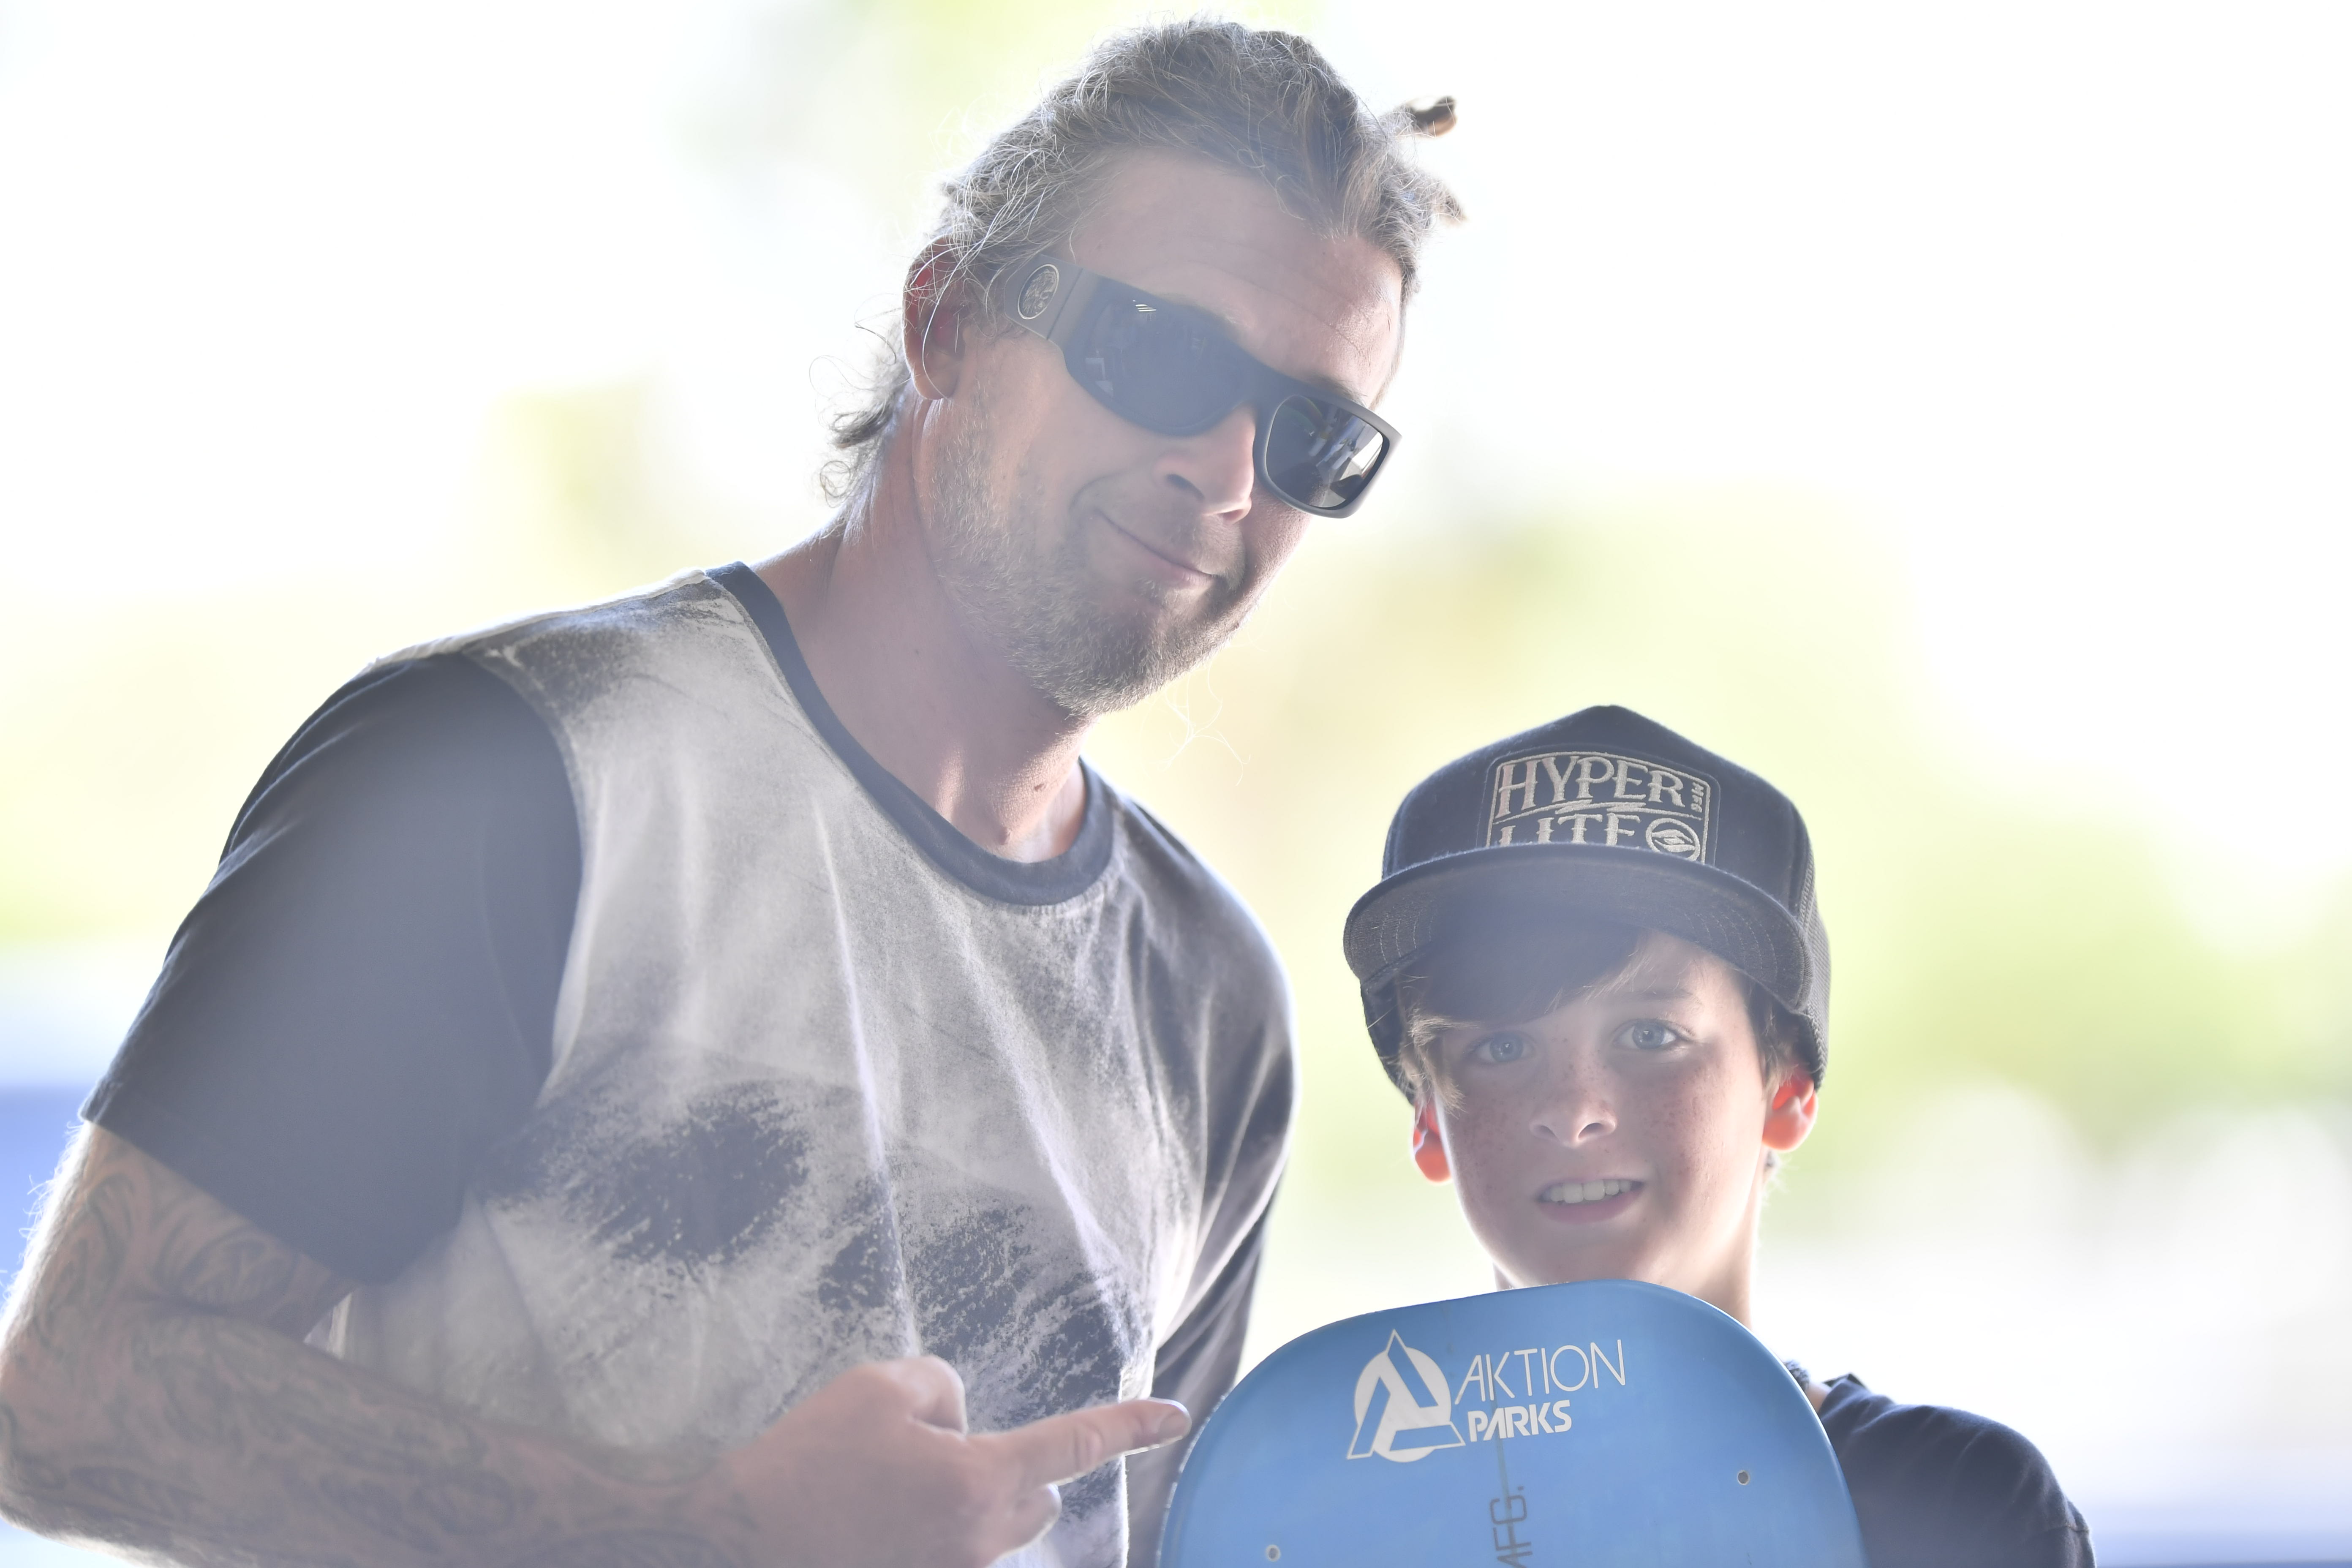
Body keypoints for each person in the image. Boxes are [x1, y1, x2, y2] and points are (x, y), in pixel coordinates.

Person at [0, 22, 1461, 1568]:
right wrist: (699, 1530)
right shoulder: (506, 774)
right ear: (949, 322)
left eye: (1314, 437)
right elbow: (67, 1402)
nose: (1228, 477)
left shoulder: (1212, 1002)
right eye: (1162, 355)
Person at [1342, 705, 2095, 1568]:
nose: (1576, 1108)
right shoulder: (1330, 1524)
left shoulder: (1960, 1506)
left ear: (1788, 1089)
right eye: (1503, 1047)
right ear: (1429, 1120)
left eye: (1650, 1035)